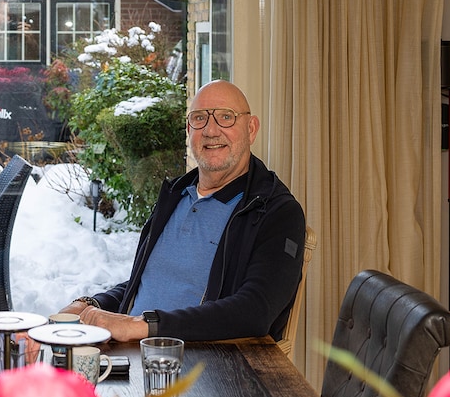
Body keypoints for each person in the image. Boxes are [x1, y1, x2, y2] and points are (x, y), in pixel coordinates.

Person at [61, 80, 306, 342]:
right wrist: (90, 305)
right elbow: (149, 283)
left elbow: (256, 310)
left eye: (226, 117)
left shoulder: (275, 211)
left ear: (251, 129)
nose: (211, 130)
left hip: (204, 365)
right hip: (130, 354)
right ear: (189, 130)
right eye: (200, 118)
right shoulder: (177, 195)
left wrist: (144, 325)